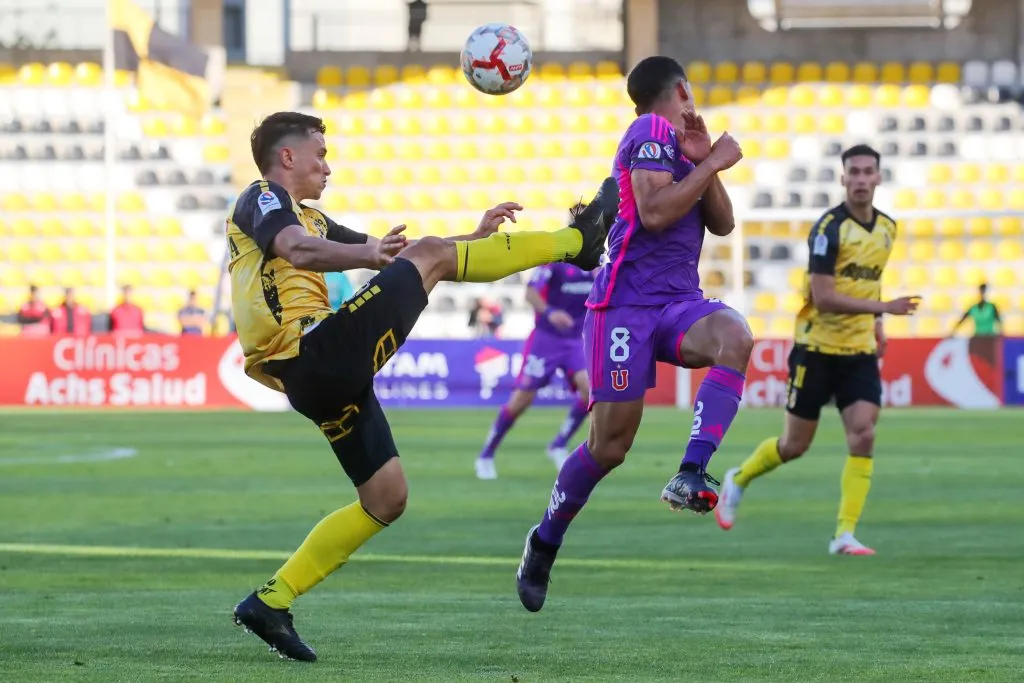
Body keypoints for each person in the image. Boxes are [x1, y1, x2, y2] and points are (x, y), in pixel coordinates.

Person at [228, 111, 617, 661]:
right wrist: (381, 255)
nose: (328, 165)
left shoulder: (313, 219)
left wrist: (473, 238)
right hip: (310, 351)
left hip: (320, 376)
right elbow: (299, 251)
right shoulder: (261, 198)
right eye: (319, 152)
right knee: (432, 255)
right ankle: (576, 241)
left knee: (386, 497)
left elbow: (400, 255)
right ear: (286, 156)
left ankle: (271, 600)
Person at [515, 56, 750, 613]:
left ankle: (691, 471)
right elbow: (653, 213)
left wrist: (703, 163)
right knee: (610, 446)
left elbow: (722, 223)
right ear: (683, 90)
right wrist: (712, 158)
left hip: (677, 302)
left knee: (735, 337)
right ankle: (544, 540)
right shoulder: (647, 130)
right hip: (622, 307)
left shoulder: (682, 143)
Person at [714, 144, 921, 556]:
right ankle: (739, 478)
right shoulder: (828, 229)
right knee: (794, 446)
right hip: (816, 348)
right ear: (843, 179)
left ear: (878, 178)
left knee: (863, 434)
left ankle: (844, 534)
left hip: (859, 349)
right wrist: (884, 308)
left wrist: (876, 323)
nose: (861, 179)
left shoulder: (887, 229)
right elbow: (824, 297)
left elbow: (871, 279)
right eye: (854, 172)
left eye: (868, 172)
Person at [475, 224, 597, 479]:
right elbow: (530, 293)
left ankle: (559, 443)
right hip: (546, 339)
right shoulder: (556, 258)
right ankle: (486, 453)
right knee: (522, 399)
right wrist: (551, 312)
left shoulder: (598, 261)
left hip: (576, 340)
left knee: (589, 392)